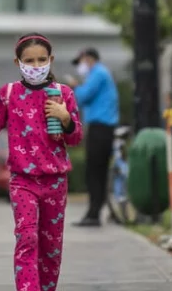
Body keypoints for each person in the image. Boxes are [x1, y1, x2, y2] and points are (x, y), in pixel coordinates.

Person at [0, 33, 83, 291]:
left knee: (51, 246)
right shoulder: (9, 93)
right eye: (29, 60)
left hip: (55, 181)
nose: (36, 66)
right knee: (26, 238)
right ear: (18, 62)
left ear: (51, 60)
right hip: (23, 181)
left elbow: (76, 137)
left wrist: (65, 118)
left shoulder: (63, 93)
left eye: (41, 60)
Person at [67, 47, 119, 227]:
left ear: (88, 58)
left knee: (94, 172)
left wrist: (74, 87)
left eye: (80, 62)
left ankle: (94, 213)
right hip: (102, 127)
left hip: (100, 127)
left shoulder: (98, 73)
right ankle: (94, 211)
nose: (80, 66)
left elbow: (81, 97)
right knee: (98, 171)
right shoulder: (100, 74)